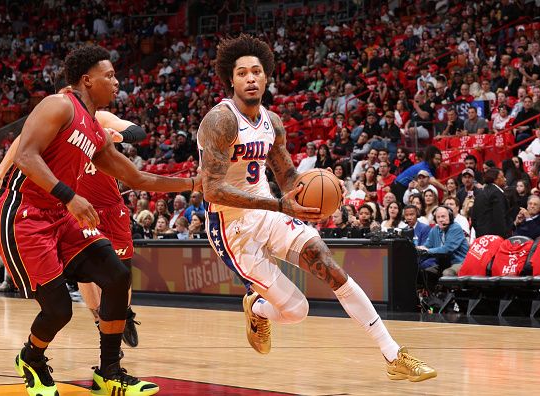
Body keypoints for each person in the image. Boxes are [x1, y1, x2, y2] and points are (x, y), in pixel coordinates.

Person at [197, 34, 435, 381]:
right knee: (296, 311)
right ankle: (257, 306)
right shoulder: (220, 121)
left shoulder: (271, 122)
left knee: (328, 265)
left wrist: (322, 186)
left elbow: (288, 176)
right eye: (242, 73)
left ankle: (393, 354)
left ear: (266, 77)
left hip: (268, 212)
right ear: (230, 80)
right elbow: (212, 189)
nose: (250, 78)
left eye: (256, 71)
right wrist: (278, 202)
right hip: (230, 227)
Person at [0, 45, 201, 396]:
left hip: (60, 216)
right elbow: (25, 156)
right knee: (58, 311)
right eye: (110, 76)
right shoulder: (59, 105)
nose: (117, 82)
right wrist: (70, 196)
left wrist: (194, 183)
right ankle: (31, 358)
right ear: (87, 80)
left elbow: (138, 179)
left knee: (117, 275)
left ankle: (109, 372)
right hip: (23, 215)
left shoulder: (96, 132)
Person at [417, 206, 469, 276]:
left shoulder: (455, 228)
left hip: (459, 262)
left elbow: (447, 249)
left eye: (443, 216)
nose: (441, 220)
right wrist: (419, 249)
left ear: (450, 217)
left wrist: (427, 251)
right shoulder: (434, 230)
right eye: (438, 217)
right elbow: (427, 246)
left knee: (447, 273)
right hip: (442, 264)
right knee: (422, 272)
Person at [471, 168, 512, 238]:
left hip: (481, 237)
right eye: (502, 177)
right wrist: (503, 237)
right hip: (496, 239)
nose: (505, 179)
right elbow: (500, 218)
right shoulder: (497, 193)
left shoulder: (480, 193)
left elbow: (474, 217)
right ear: (495, 179)